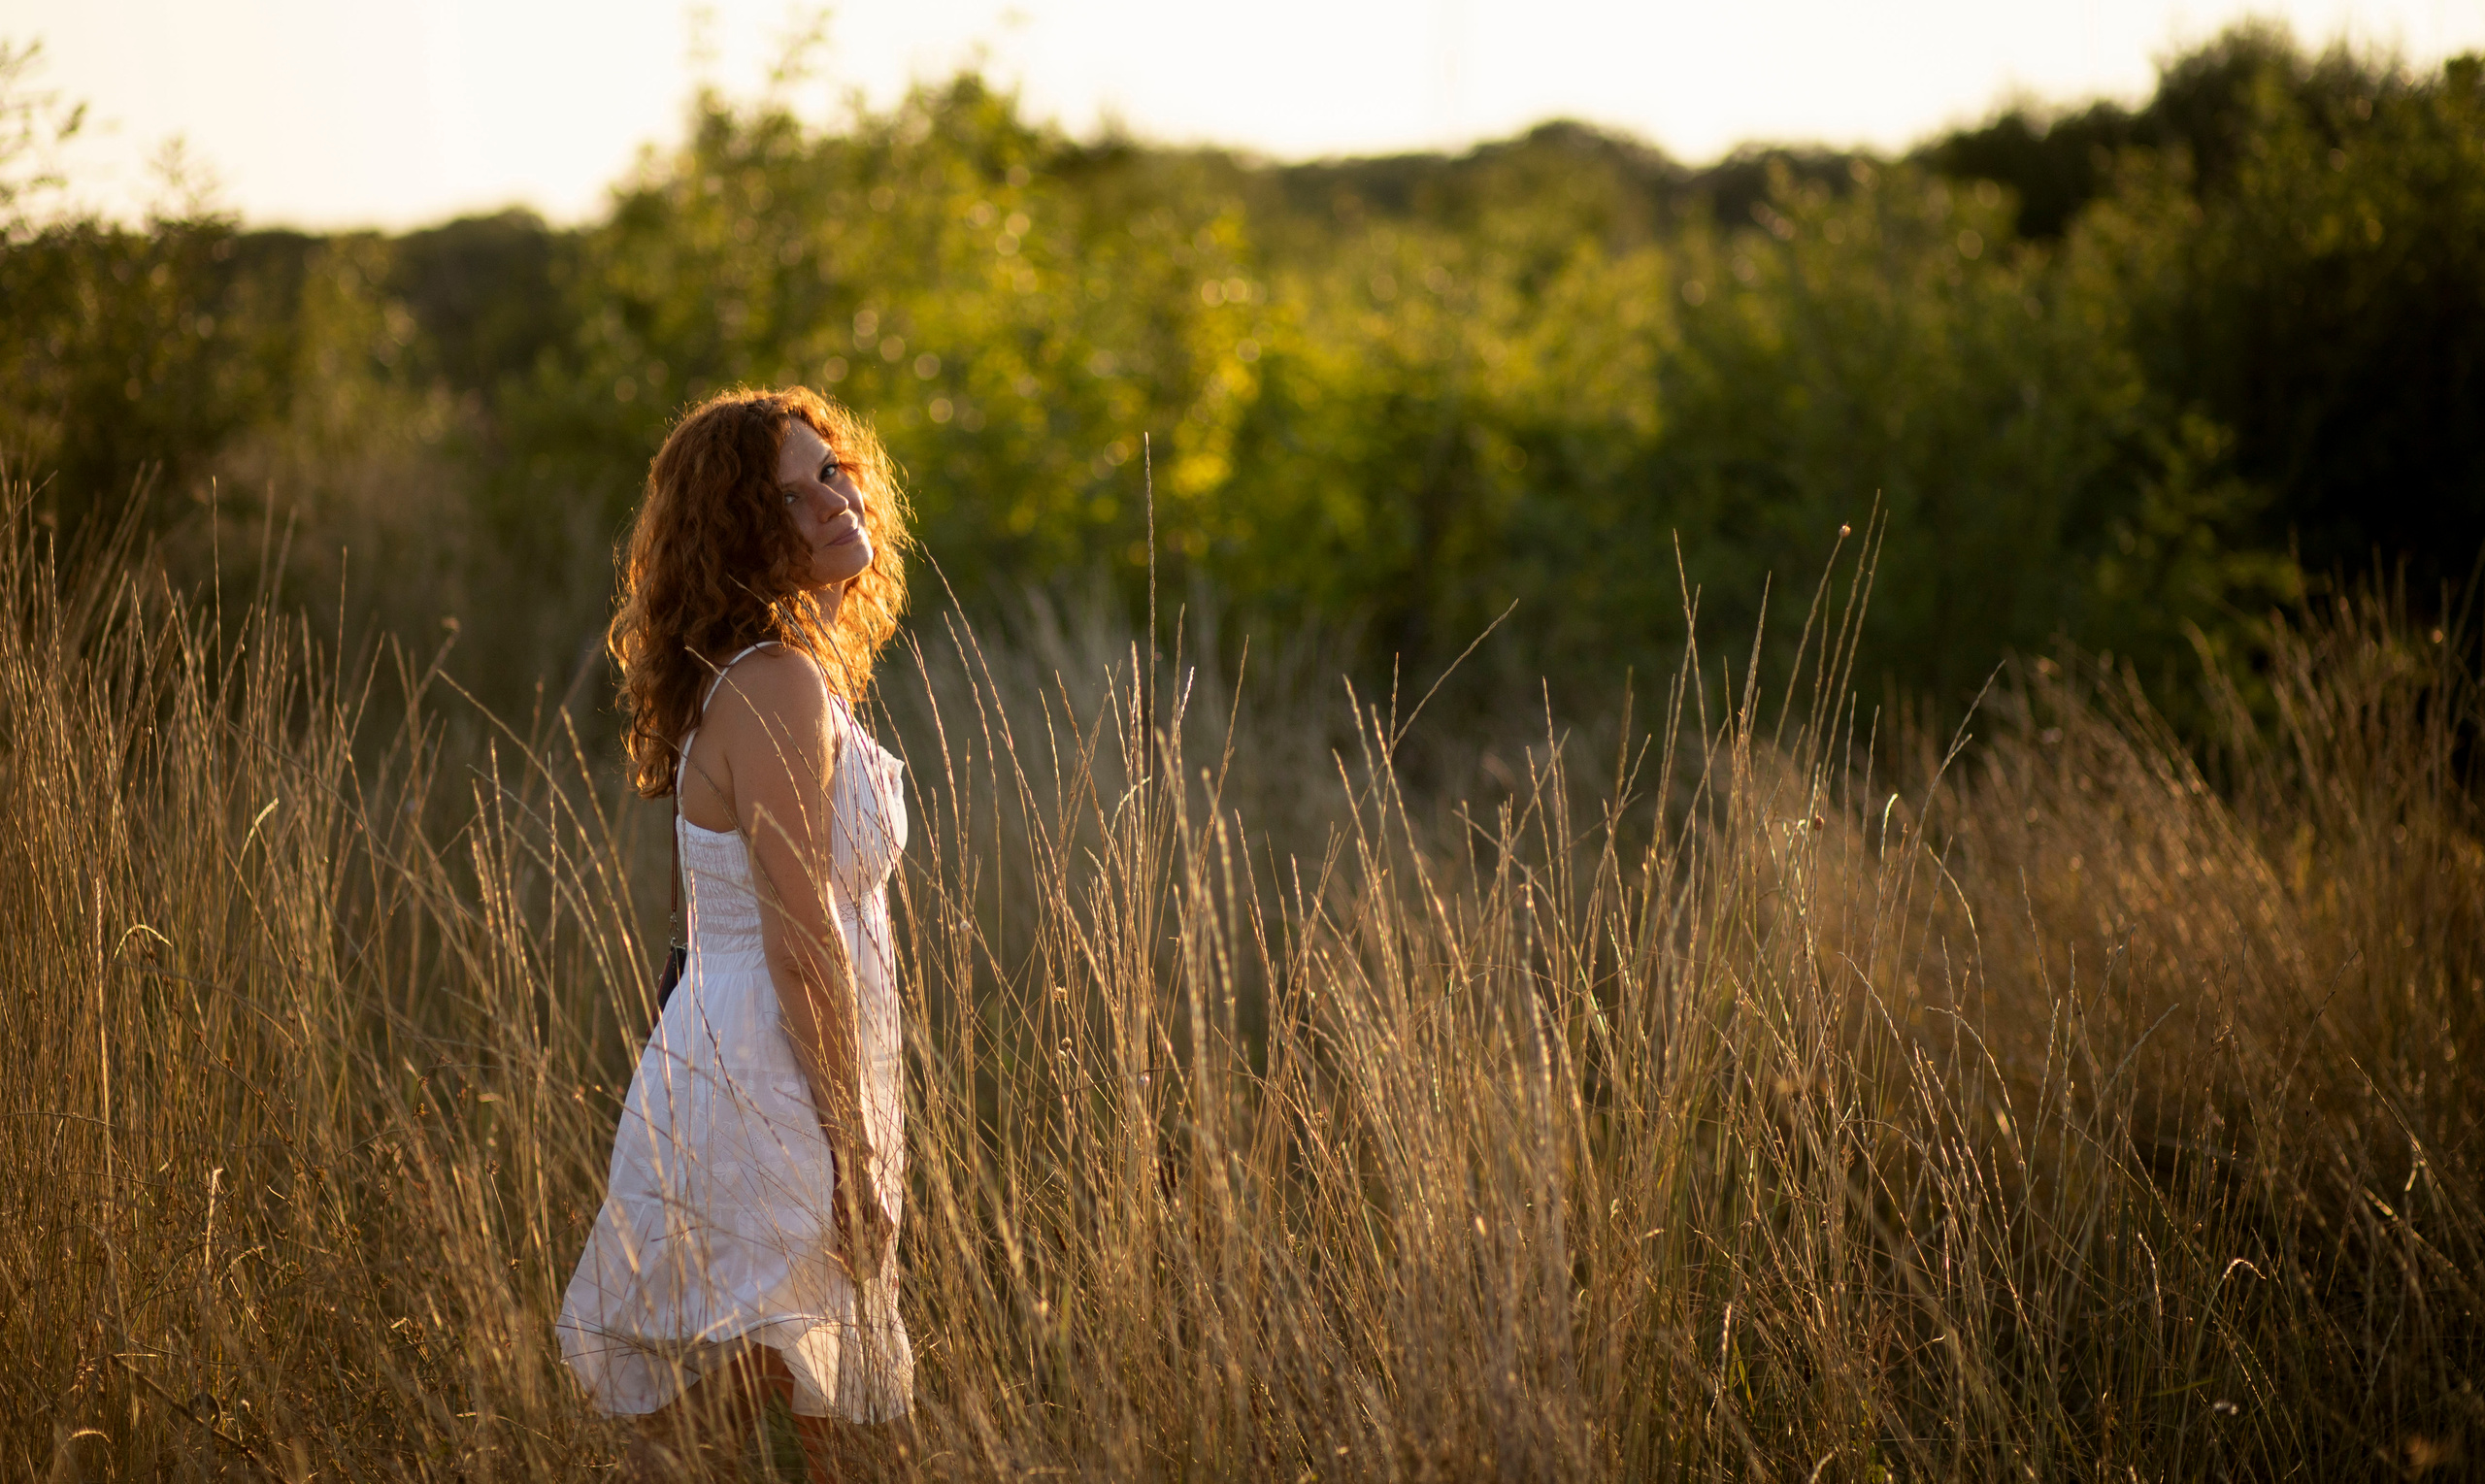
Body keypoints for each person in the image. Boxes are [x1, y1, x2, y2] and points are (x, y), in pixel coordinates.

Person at [557, 386, 914, 1480]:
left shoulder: (774, 677)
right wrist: (851, 1154)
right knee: (804, 1405)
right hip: (775, 1073)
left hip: (758, 1053)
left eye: (832, 472)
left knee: (819, 1398)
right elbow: (800, 941)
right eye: (790, 494)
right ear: (739, 535)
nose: (831, 502)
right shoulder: (775, 688)